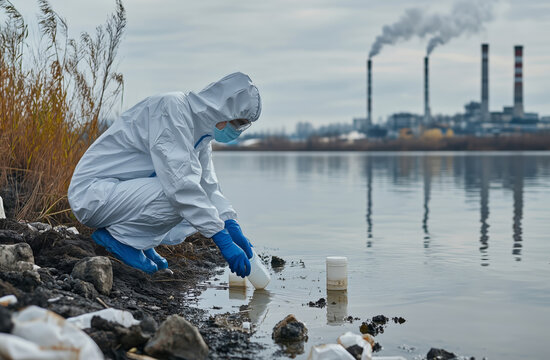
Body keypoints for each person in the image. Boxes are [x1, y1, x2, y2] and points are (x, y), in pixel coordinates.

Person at [68, 72, 261, 276]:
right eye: (238, 123)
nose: (238, 130)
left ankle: (138, 240)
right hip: (93, 194)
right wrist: (222, 239)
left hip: (117, 193)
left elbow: (209, 186)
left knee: (199, 203)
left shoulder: (201, 134)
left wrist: (230, 223)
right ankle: (121, 239)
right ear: (223, 110)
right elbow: (181, 187)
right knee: (182, 196)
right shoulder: (172, 109)